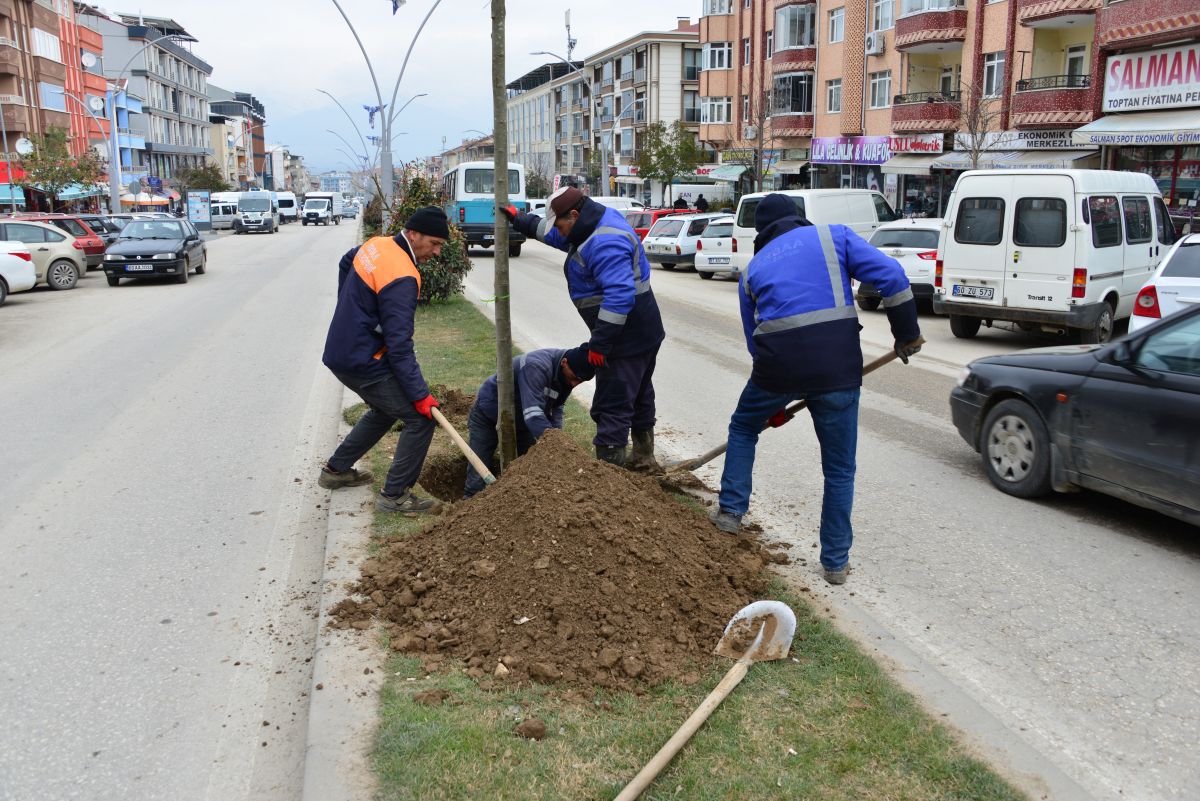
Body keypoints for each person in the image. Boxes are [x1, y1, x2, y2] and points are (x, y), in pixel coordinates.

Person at [709, 194, 922, 586]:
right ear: (799, 219)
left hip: (777, 370)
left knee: (743, 428)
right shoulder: (834, 237)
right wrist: (906, 334)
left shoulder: (752, 269)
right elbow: (893, 278)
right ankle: (835, 564)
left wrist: (772, 398)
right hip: (838, 369)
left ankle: (729, 513)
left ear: (762, 232)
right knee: (840, 469)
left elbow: (756, 343)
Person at [501, 187, 666, 469]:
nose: (560, 232)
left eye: (562, 224)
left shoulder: (605, 242)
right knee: (639, 393)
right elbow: (552, 232)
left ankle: (610, 477)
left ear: (575, 215)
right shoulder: (589, 224)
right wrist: (521, 219)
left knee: (613, 402)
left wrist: (601, 344)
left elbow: (619, 297)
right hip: (642, 331)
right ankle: (644, 460)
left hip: (626, 335)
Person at [318, 207, 450, 514]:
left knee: (385, 409)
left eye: (441, 245)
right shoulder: (403, 275)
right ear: (413, 234)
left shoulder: (377, 244)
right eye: (434, 243)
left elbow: (345, 262)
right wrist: (421, 396)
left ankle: (336, 471)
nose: (437, 251)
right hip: (362, 360)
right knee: (421, 420)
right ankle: (395, 496)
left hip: (343, 351)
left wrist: (351, 310)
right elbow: (400, 346)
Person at [463, 345, 596, 498]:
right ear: (564, 362)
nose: (574, 384)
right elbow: (533, 415)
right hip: (489, 413)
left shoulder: (567, 375)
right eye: (574, 378)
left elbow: (556, 408)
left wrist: (558, 437)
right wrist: (552, 441)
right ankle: (469, 505)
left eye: (580, 381)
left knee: (530, 468)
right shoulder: (536, 366)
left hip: (522, 421)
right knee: (478, 470)